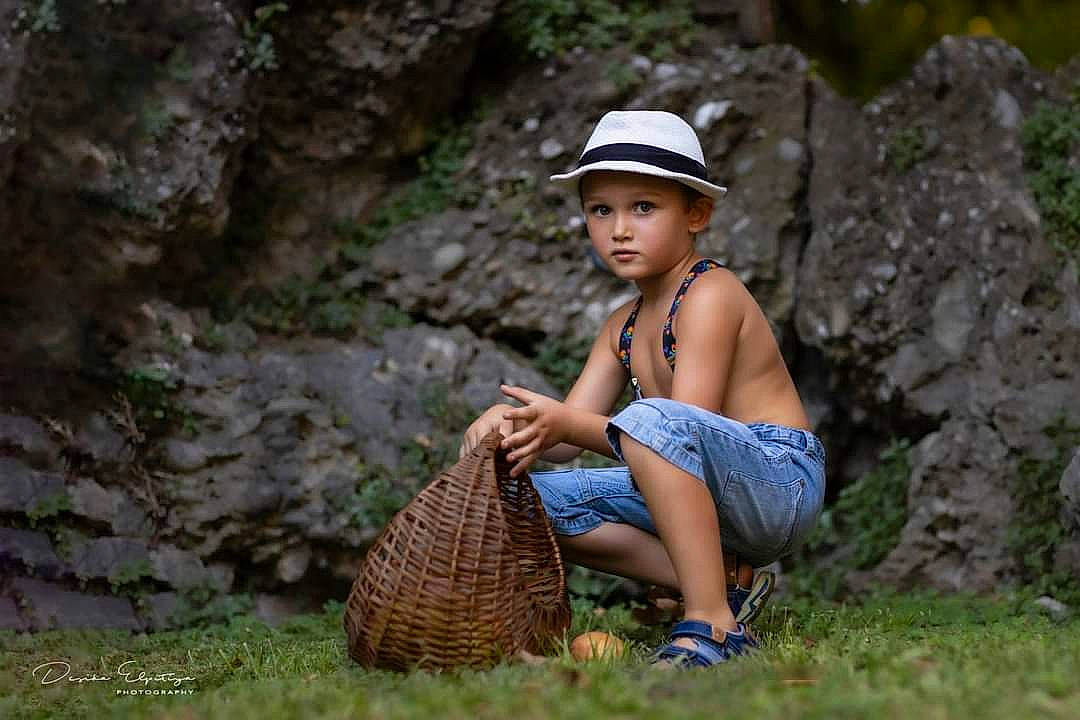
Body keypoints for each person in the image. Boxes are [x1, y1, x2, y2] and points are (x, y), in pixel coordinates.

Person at [459, 110, 826, 669]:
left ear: (696, 214)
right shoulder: (621, 327)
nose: (619, 229)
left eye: (644, 208)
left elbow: (682, 426)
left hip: (774, 481)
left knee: (656, 418)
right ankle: (727, 580)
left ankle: (713, 626)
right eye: (600, 210)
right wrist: (508, 426)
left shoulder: (711, 294)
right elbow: (563, 442)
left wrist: (567, 423)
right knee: (519, 498)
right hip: (687, 484)